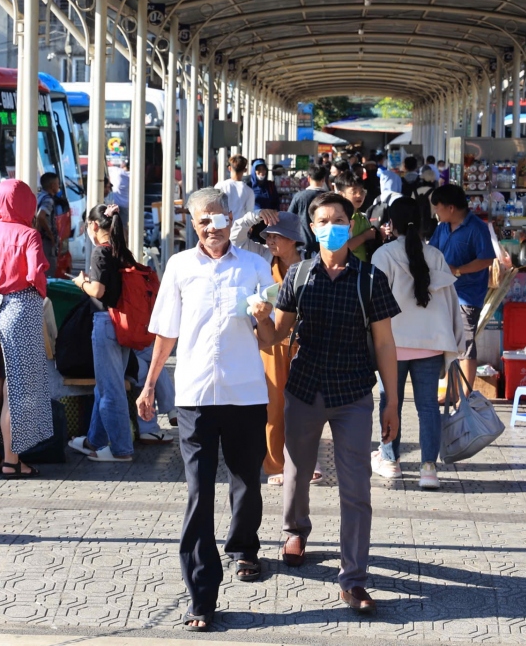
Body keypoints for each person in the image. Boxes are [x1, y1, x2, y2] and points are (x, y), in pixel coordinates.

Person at [138, 187, 276, 631]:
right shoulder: (179, 267)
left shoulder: (255, 266)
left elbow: (270, 338)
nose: (212, 228)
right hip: (195, 395)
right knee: (199, 493)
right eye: (203, 221)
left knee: (246, 482)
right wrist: (149, 384)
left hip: (246, 392)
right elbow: (166, 332)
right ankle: (202, 595)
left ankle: (244, 547)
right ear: (192, 223)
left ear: (230, 217)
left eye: (219, 219)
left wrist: (262, 317)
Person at [271, 192, 401, 614]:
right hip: (305, 388)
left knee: (357, 489)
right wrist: (258, 317)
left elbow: (384, 344)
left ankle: (354, 579)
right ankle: (294, 530)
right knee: (297, 471)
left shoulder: (370, 279)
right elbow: (275, 335)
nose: (331, 225)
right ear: (313, 227)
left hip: (353, 395)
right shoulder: (299, 275)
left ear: (352, 224)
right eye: (322, 219)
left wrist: (392, 403)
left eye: (339, 218)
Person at [370, 198, 466, 490]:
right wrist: (454, 341)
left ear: (391, 223)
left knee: (390, 403)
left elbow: (374, 302)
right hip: (431, 343)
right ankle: (428, 469)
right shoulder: (435, 255)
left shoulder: (383, 255)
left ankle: (390, 460)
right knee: (427, 408)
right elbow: (451, 302)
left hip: (392, 344)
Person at [0, 179, 53, 477]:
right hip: (20, 311)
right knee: (16, 390)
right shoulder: (29, 234)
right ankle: (12, 460)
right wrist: (41, 291)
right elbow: (36, 275)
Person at [70, 203, 140, 462]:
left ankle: (121, 450)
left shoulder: (100, 252)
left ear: (95, 226)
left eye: (88, 225)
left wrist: (81, 282)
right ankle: (94, 441)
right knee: (106, 385)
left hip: (105, 322)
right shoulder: (122, 251)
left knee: (110, 390)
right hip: (123, 323)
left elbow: (98, 291)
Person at [257, 212, 322, 486]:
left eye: (276, 236)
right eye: (268, 236)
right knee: (274, 405)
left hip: (304, 343)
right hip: (271, 344)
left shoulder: (312, 267)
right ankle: (274, 464)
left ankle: (308, 460)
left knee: (306, 406)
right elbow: (236, 234)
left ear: (294, 239)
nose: (270, 241)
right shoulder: (261, 265)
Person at [428, 183, 496, 385]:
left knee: (465, 344)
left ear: (450, 208)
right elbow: (432, 250)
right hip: (442, 293)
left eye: (437, 207)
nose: (435, 212)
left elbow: (486, 260)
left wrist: (457, 270)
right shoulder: (442, 228)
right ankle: (451, 389)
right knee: (447, 344)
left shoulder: (477, 228)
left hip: (467, 295)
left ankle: (465, 395)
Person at [333, 172, 377, 262]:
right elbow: (339, 250)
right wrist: (365, 236)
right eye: (354, 192)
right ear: (341, 194)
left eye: (362, 191)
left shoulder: (363, 217)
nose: (359, 195)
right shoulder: (337, 219)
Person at [289, 164, 330, 254]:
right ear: (323, 179)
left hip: (303, 243)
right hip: (325, 244)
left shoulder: (299, 196)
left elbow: (289, 217)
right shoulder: (330, 197)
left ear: (308, 178)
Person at [216, 155, 256, 225]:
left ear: (229, 168)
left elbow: (214, 206)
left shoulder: (220, 186)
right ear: (245, 170)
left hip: (222, 226)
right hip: (239, 228)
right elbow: (249, 214)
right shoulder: (249, 191)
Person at [36, 172, 62, 279]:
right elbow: (40, 216)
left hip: (39, 238)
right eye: (57, 184)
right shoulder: (48, 200)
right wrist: (50, 235)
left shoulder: (39, 196)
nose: (58, 186)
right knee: (49, 271)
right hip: (46, 240)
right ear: (52, 186)